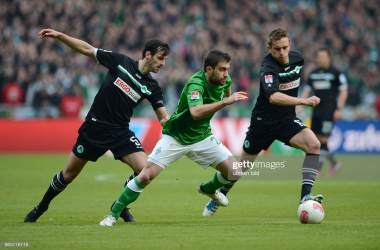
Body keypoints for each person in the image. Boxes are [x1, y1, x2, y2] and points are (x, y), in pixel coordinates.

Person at [24, 29, 172, 223]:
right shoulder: (120, 62)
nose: (162, 63)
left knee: (145, 171)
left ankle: (120, 205)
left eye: (165, 60)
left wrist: (173, 122)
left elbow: (162, 117)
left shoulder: (152, 87)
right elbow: (87, 49)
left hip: (120, 132)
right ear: (148, 54)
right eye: (160, 58)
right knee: (68, 175)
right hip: (94, 128)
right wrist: (61, 36)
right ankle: (41, 207)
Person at [99, 50, 248, 226]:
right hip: (176, 137)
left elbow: (225, 93)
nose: (226, 74)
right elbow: (195, 112)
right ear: (209, 69)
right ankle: (112, 214)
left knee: (235, 171)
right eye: (222, 69)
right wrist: (225, 102)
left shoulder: (226, 80)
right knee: (146, 176)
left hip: (202, 137)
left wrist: (226, 98)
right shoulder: (196, 84)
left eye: (228, 69)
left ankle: (208, 189)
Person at [202, 28, 323, 216]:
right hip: (263, 123)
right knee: (239, 169)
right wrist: (304, 101)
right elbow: (274, 97)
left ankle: (305, 197)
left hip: (286, 120)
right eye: (277, 49)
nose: (281, 53)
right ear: (269, 48)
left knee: (314, 144)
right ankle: (219, 193)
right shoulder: (268, 67)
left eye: (284, 48)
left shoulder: (298, 59)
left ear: (290, 45)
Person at [297, 48, 348, 176]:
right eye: (319, 57)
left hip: (329, 110)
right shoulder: (313, 73)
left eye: (323, 56)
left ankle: (317, 168)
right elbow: (307, 90)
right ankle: (334, 164)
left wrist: (339, 108)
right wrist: (301, 104)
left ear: (329, 57)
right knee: (317, 140)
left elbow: (344, 91)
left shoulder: (336, 73)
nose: (321, 59)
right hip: (316, 110)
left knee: (324, 139)